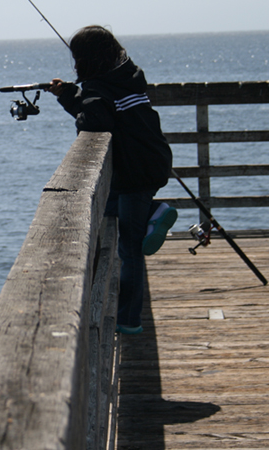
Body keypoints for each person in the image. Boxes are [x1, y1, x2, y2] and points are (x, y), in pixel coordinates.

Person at [48, 25, 176, 335]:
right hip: (151, 161)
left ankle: (129, 319)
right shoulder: (125, 77)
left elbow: (95, 121)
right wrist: (70, 94)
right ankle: (151, 212)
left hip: (135, 172)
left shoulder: (98, 88)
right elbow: (102, 107)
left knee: (129, 248)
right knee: (107, 207)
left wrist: (76, 103)